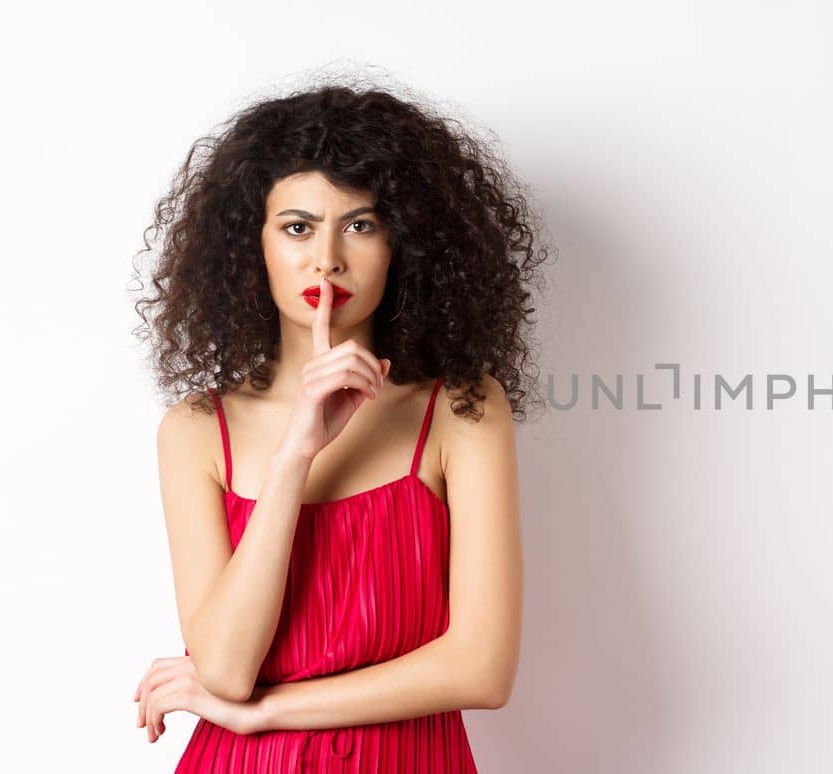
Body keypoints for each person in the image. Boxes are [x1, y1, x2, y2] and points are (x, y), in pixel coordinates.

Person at [127, 79, 548, 772]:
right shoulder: (198, 430)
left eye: (361, 224)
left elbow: (482, 669)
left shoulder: (463, 409)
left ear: (404, 242)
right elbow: (226, 669)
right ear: (249, 246)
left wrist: (265, 712)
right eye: (297, 227)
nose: (326, 258)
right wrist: (297, 451)